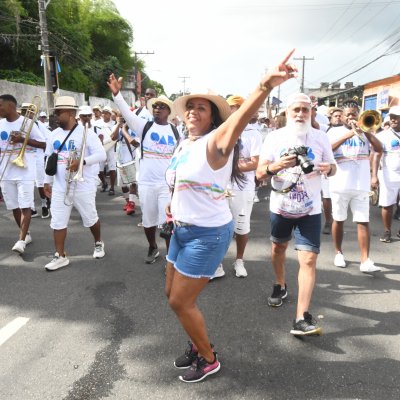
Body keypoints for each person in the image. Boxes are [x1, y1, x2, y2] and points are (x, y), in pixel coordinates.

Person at [160, 50, 297, 383]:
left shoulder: (215, 142)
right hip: (180, 230)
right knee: (171, 295)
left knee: (181, 301)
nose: (193, 111)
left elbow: (239, 119)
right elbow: (180, 182)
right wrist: (173, 205)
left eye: (201, 107)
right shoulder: (184, 144)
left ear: (212, 118)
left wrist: (264, 87)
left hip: (207, 233)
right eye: (190, 106)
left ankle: (208, 359)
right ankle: (197, 345)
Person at [256, 92, 336, 336]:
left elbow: (333, 168)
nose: (301, 114)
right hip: (281, 207)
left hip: (310, 209)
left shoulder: (321, 137)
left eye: (305, 109)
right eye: (296, 110)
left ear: (311, 112)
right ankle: (280, 283)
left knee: (309, 259)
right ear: (287, 114)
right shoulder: (274, 137)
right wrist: (276, 166)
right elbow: (260, 173)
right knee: (278, 248)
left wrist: (327, 168)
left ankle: (301, 317)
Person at [108, 81, 179, 264]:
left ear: (168, 111)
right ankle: (153, 247)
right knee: (148, 221)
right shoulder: (144, 126)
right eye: (155, 106)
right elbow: (125, 112)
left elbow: (181, 158)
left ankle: (170, 259)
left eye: (162, 107)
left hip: (166, 185)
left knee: (167, 223)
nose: (157, 109)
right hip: (146, 183)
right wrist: (117, 95)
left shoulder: (175, 132)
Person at [43, 96, 106, 271]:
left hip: (82, 185)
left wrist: (82, 162)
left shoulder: (86, 133)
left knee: (90, 218)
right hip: (60, 185)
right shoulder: (53, 134)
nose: (55, 116)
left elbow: (102, 155)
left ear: (71, 113)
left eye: (58, 112)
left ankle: (98, 242)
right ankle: (60, 255)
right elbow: (49, 158)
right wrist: (46, 182)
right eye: (55, 112)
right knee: (57, 222)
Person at [328, 99, 383, 273]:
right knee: (339, 219)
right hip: (339, 183)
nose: (351, 117)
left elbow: (379, 148)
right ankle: (338, 252)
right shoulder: (333, 131)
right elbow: (328, 149)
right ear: (342, 116)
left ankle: (365, 259)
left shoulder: (366, 131)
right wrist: (349, 134)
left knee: (363, 221)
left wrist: (365, 132)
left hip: (361, 184)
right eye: (348, 114)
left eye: (354, 113)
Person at [0, 94, 46, 253]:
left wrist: (22, 140)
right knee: (13, 205)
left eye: (1, 106)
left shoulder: (28, 124)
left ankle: (21, 240)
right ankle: (26, 234)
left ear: (10, 106)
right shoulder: (0, 124)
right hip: (6, 172)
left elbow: (44, 144)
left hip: (25, 171)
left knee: (25, 205)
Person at [224, 94, 262, 278]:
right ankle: (217, 262)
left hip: (243, 187)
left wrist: (228, 166)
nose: (233, 111)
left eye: (237, 107)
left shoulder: (252, 133)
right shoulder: (222, 130)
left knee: (241, 225)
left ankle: (239, 260)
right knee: (219, 225)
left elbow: (255, 162)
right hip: (221, 186)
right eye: (231, 107)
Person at [20, 102, 51, 219]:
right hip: (23, 158)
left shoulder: (38, 125)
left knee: (40, 183)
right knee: (26, 183)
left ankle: (44, 204)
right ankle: (31, 208)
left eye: (29, 112)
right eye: (24, 111)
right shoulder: (19, 124)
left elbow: (46, 142)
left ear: (33, 114)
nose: (27, 114)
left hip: (37, 157)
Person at [374, 106, 400, 242]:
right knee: (387, 204)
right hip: (388, 175)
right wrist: (373, 176)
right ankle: (387, 231)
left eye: (397, 117)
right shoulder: (382, 136)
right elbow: (376, 156)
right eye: (392, 117)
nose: (394, 119)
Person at [97, 105, 116, 194]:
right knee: (98, 169)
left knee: (112, 168)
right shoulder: (97, 123)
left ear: (110, 114)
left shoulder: (114, 123)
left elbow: (115, 137)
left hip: (111, 147)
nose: (105, 114)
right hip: (100, 148)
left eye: (107, 113)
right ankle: (104, 183)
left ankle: (112, 187)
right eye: (103, 113)